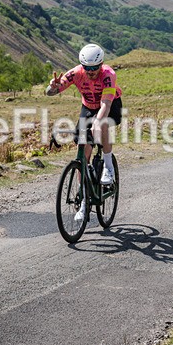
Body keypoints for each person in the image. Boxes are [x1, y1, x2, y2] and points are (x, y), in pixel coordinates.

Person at [46, 44, 123, 222]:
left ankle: (109, 167)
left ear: (101, 64)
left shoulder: (108, 75)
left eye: (95, 68)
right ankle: (83, 202)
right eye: (87, 68)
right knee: (83, 154)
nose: (90, 71)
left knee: (101, 122)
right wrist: (53, 88)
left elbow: (106, 105)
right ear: (82, 66)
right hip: (88, 107)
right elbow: (50, 92)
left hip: (110, 105)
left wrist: (97, 121)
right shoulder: (75, 73)